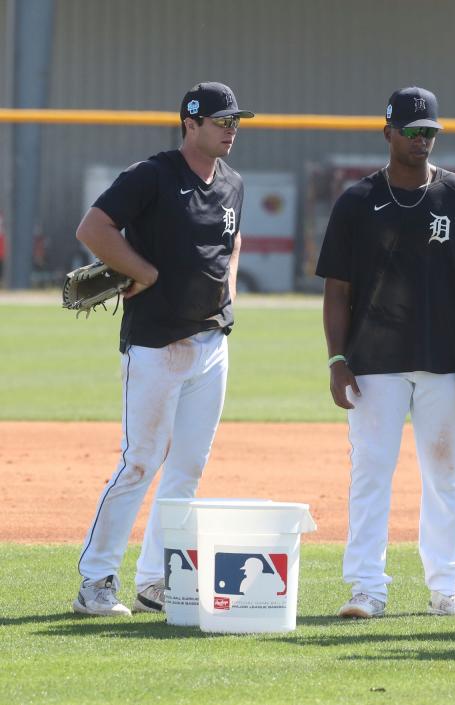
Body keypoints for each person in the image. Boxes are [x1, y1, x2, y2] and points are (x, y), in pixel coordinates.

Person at [316, 86, 455, 619]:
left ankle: (448, 589)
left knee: (445, 474)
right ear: (388, 131)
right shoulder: (356, 201)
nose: (422, 140)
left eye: (430, 131)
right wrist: (336, 359)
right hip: (373, 364)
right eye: (413, 131)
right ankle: (366, 588)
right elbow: (336, 289)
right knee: (370, 472)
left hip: (446, 363)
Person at [72, 82, 253, 616]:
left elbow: (233, 240)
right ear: (189, 124)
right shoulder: (151, 174)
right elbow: (94, 226)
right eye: (221, 121)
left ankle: (157, 579)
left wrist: (229, 291)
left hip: (211, 343)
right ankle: (96, 581)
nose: (231, 128)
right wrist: (143, 270)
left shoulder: (234, 184)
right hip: (156, 343)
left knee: (188, 468)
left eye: (235, 121)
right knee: (141, 462)